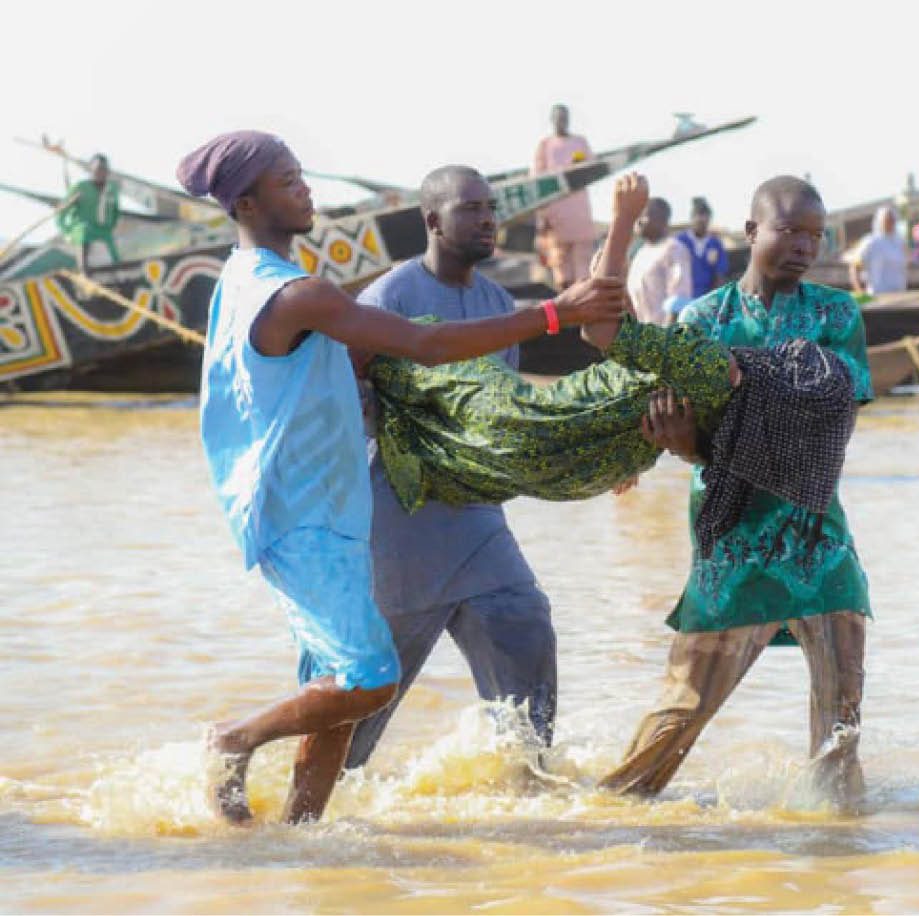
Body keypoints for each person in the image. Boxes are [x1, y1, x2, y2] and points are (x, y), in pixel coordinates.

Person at [177, 131, 627, 826]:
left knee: (337, 681)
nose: (306, 189)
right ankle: (233, 741)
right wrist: (555, 313)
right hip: (314, 512)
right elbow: (424, 345)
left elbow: (345, 369)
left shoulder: (240, 282)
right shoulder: (299, 293)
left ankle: (298, 835)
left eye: (302, 175)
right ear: (245, 201)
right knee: (369, 679)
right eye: (288, 181)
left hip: (315, 504)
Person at [598, 175, 872, 807]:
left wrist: (729, 403)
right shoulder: (704, 321)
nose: (804, 245)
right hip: (735, 537)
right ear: (750, 232)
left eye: (814, 234)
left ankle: (839, 848)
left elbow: (830, 411)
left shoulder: (836, 314)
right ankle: (603, 820)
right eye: (788, 229)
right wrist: (671, 442)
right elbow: (691, 428)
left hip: (815, 534)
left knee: (841, 725)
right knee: (680, 713)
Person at [342, 165, 560, 774]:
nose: (489, 219)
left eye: (492, 207)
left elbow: (499, 407)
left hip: (476, 512)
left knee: (523, 620)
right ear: (433, 221)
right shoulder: (390, 297)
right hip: (401, 511)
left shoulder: (496, 304)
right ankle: (317, 814)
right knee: (369, 684)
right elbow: (350, 404)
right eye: (472, 208)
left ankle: (530, 786)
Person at [533, 104, 598, 290]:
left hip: (579, 214)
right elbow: (537, 182)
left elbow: (592, 169)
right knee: (561, 272)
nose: (562, 121)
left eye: (564, 117)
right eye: (558, 118)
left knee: (583, 272)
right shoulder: (545, 145)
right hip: (555, 215)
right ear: (552, 120)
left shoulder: (580, 143)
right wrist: (542, 217)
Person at [627, 197, 693, 326]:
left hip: (660, 338)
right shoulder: (641, 252)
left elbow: (678, 301)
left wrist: (665, 342)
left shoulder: (673, 249)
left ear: (662, 220)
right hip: (640, 337)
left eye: (644, 216)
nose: (638, 221)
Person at [56, 153, 120, 273]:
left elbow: (116, 212)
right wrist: (67, 233)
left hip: (103, 232)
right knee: (84, 231)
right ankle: (84, 271)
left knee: (115, 258)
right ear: (91, 170)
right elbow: (61, 212)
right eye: (97, 169)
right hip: (82, 231)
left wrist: (109, 227)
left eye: (103, 169)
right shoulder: (80, 187)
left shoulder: (112, 189)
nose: (100, 173)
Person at [846, 206, 907, 296]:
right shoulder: (870, 241)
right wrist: (859, 290)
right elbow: (855, 266)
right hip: (877, 296)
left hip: (899, 295)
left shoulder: (899, 242)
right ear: (880, 221)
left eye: (892, 220)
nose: (889, 223)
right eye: (887, 220)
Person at [677, 197, 730, 299]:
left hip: (705, 298)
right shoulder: (680, 242)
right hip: (682, 296)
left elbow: (719, 274)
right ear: (691, 218)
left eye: (705, 220)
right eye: (698, 219)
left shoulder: (715, 244)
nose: (702, 223)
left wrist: (715, 300)